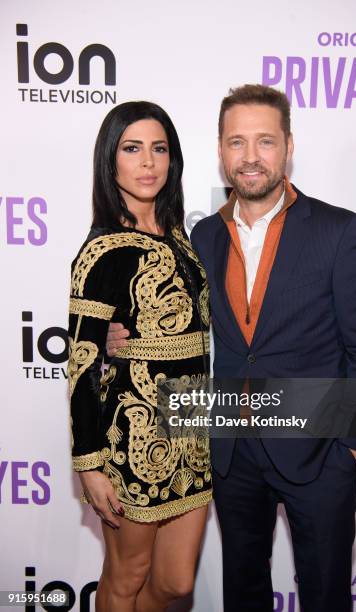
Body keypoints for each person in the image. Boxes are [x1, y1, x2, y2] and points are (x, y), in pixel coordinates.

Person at [107, 85, 356, 612]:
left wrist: (349, 446)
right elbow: (163, 315)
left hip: (318, 455)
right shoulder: (201, 238)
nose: (251, 157)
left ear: (288, 146)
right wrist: (108, 334)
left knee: (326, 596)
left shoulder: (339, 230)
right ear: (220, 150)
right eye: (237, 142)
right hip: (233, 455)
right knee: (244, 594)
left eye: (265, 141)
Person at [68, 101, 212, 612]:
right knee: (125, 577)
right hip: (132, 437)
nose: (148, 162)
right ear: (111, 163)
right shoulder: (102, 250)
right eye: (132, 149)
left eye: (159, 149)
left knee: (174, 583)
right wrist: (89, 462)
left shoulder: (180, 238)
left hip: (192, 434)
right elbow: (83, 359)